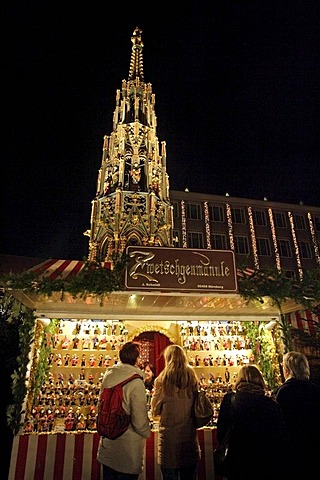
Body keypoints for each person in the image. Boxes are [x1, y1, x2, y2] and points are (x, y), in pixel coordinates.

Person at [216, 364, 289, 480]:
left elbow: (221, 432)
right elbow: (279, 437)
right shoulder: (271, 405)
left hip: (236, 460)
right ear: (260, 381)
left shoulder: (230, 401)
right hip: (263, 462)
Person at [97, 342, 151, 480]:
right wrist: (146, 432)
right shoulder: (136, 382)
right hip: (128, 447)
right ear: (137, 359)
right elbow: (139, 420)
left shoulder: (108, 376)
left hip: (109, 441)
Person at [150, 344, 201, 480]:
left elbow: (155, 410)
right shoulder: (192, 378)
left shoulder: (162, 381)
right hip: (188, 437)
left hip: (169, 439)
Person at [275, 351, 320, 480]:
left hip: (292, 449)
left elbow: (280, 422)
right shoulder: (315, 390)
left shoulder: (284, 392)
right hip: (313, 447)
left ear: (288, 370)